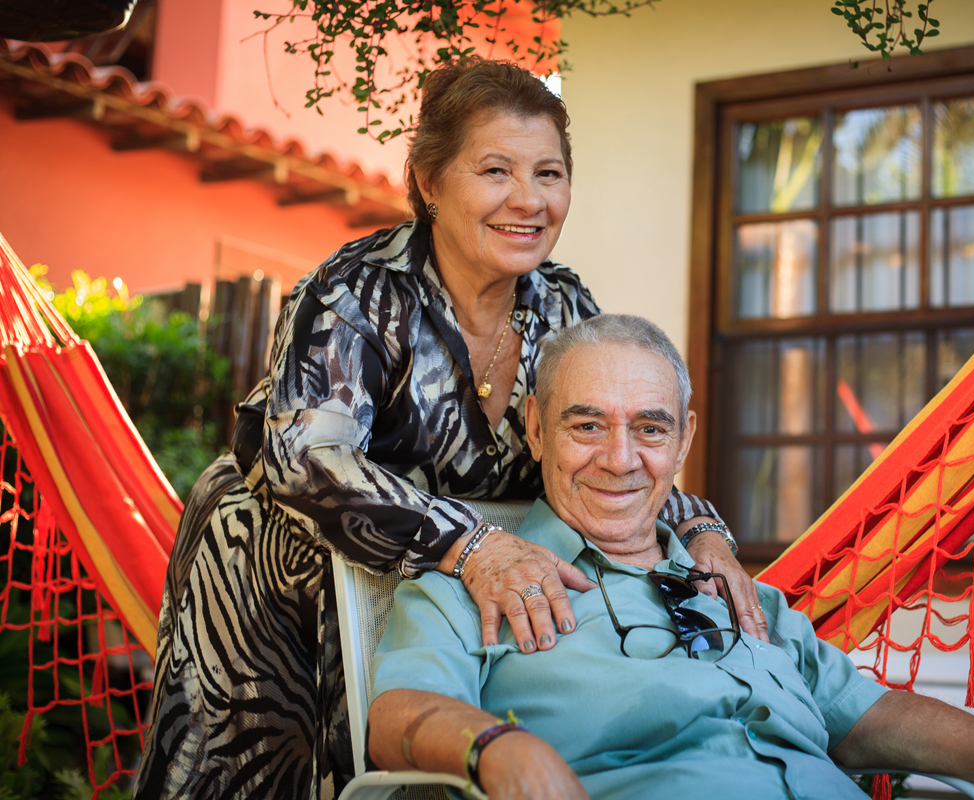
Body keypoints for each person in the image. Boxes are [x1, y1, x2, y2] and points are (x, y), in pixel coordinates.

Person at [133, 60, 761, 800]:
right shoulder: (357, 290)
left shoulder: (563, 304)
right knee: (249, 778)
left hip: (438, 601)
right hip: (276, 576)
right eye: (495, 170)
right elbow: (304, 459)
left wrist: (701, 531)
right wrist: (473, 545)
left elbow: (611, 444)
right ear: (430, 182)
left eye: (550, 174)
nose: (529, 200)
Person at [367, 314, 974, 800]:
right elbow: (396, 712)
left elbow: (865, 715)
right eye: (586, 425)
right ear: (535, 427)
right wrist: (494, 746)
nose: (620, 460)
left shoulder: (738, 592)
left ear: (683, 439)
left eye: (649, 430)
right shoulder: (474, 589)